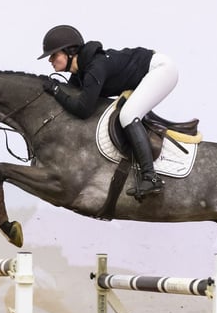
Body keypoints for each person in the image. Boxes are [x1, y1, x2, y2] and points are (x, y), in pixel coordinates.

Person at [37, 24, 179, 198]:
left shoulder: (96, 67)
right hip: (148, 72)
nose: (50, 60)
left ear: (70, 51)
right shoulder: (80, 74)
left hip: (161, 70)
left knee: (128, 115)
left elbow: (83, 109)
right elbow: (73, 101)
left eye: (54, 55)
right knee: (127, 112)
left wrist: (56, 91)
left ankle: (150, 177)